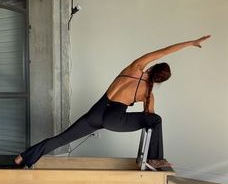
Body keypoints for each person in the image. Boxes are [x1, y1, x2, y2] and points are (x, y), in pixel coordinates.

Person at [14, 35, 211, 169]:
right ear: (159, 81)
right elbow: (149, 119)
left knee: (62, 138)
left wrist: (190, 42)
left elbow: (164, 51)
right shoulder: (148, 93)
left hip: (96, 112)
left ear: (152, 68)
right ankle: (155, 159)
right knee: (155, 120)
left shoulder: (135, 68)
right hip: (114, 119)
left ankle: (23, 157)